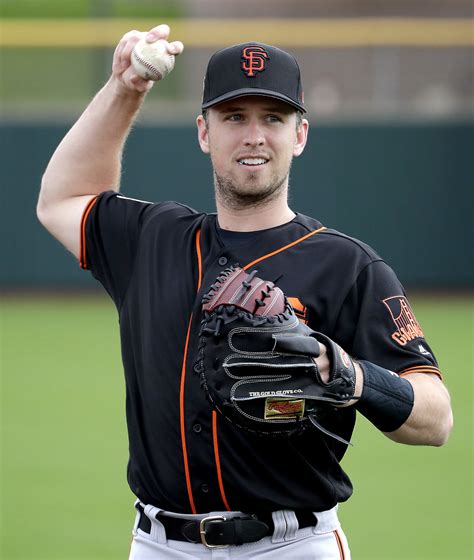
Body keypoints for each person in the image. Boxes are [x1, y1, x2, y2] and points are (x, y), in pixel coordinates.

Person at [37, 24, 453, 560]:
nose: (254, 135)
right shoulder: (152, 241)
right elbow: (62, 199)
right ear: (204, 132)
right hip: (160, 546)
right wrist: (125, 88)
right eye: (234, 117)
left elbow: (436, 418)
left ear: (299, 135)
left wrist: (349, 375)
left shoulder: (346, 265)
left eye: (272, 118)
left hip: (292, 545)